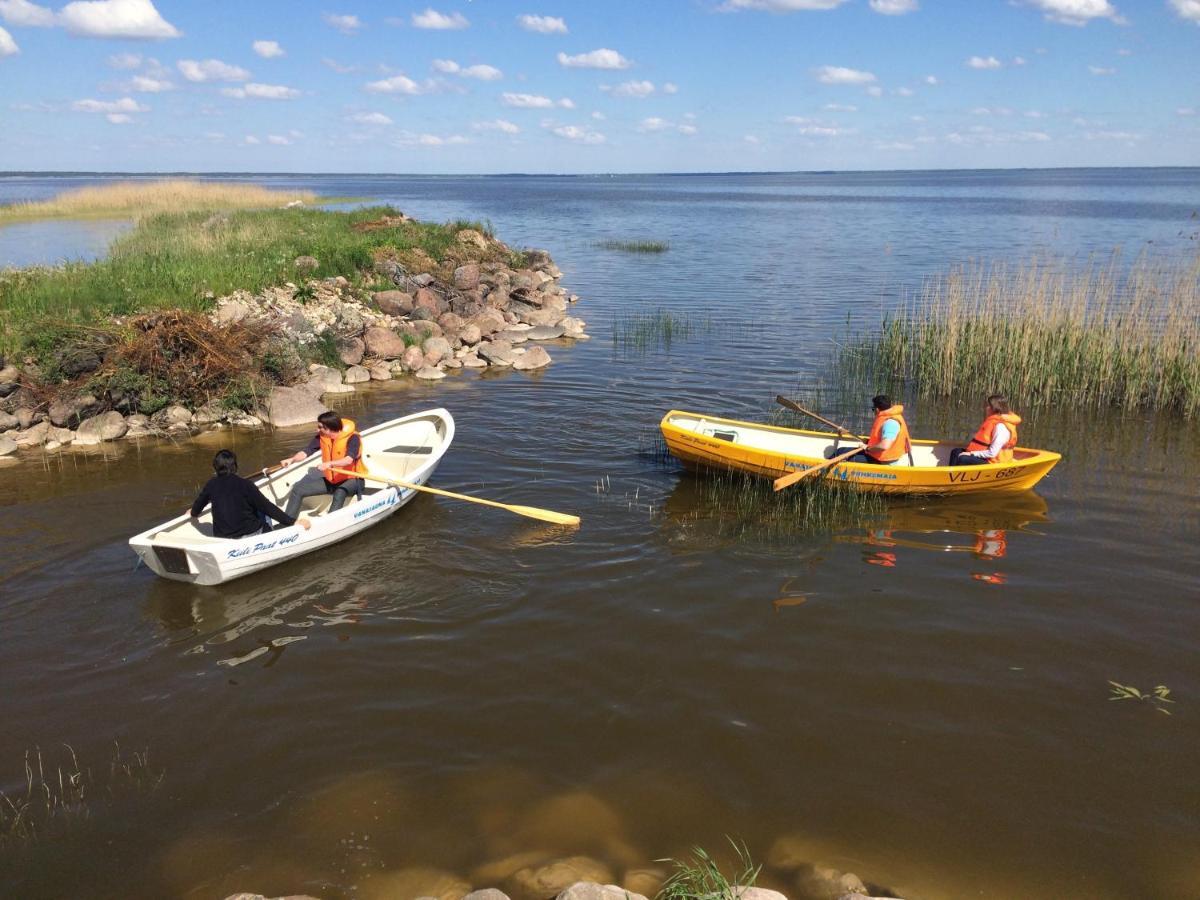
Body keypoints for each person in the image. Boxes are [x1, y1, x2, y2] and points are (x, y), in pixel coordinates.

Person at [190, 449, 310, 539]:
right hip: (249, 535)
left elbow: (197, 508)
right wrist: (292, 522)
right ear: (234, 466)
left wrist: (192, 512)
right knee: (262, 509)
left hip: (222, 537)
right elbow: (267, 507)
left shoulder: (211, 484)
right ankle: (273, 535)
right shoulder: (245, 484)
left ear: (216, 467)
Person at [280, 411, 367, 519]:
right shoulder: (322, 436)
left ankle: (330, 523)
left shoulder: (353, 438)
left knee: (340, 492)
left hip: (353, 480)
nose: (317, 429)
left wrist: (329, 464)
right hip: (332, 480)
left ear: (329, 428)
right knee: (298, 489)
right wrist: (292, 460)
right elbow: (306, 452)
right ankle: (287, 523)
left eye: (320, 427)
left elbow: (348, 460)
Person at [838, 395, 911, 466]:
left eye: (873, 409)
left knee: (840, 455)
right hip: (877, 455)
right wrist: (869, 442)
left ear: (877, 409)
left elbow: (884, 446)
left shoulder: (890, 423)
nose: (873, 412)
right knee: (840, 450)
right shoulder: (892, 416)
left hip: (883, 461)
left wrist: (867, 448)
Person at [949, 395, 1021, 466]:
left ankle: (956, 476)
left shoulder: (1001, 428)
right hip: (989, 458)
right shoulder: (994, 422)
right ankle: (950, 475)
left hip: (995, 462)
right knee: (956, 451)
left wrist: (971, 453)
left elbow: (992, 453)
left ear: (995, 408)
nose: (986, 408)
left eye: (988, 406)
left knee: (963, 458)